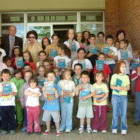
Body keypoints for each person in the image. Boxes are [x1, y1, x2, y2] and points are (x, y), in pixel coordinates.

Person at [110, 61, 130, 135]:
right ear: (118, 67)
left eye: (125, 66)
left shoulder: (126, 76)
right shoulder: (114, 76)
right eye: (122, 66)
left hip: (124, 96)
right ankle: (114, 127)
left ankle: (124, 128)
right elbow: (111, 86)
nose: (124, 68)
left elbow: (128, 87)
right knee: (115, 113)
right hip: (115, 96)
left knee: (123, 113)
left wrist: (123, 88)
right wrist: (116, 88)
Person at [42, 71, 61, 136]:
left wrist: (55, 91)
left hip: (55, 106)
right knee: (47, 119)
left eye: (52, 76)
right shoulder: (45, 86)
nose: (51, 78)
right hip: (47, 106)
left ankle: (57, 130)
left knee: (56, 119)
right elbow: (45, 96)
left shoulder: (56, 86)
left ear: (55, 78)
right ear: (47, 78)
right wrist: (43, 91)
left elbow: (57, 96)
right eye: (49, 77)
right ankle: (48, 129)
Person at [0, 69, 18, 135]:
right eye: (4, 76)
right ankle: (4, 128)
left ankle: (12, 128)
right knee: (4, 117)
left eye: (7, 76)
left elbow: (16, 93)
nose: (5, 77)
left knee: (12, 117)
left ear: (10, 76)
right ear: (1, 76)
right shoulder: (0, 85)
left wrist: (12, 93)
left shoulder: (12, 84)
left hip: (11, 104)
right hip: (2, 104)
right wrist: (1, 94)